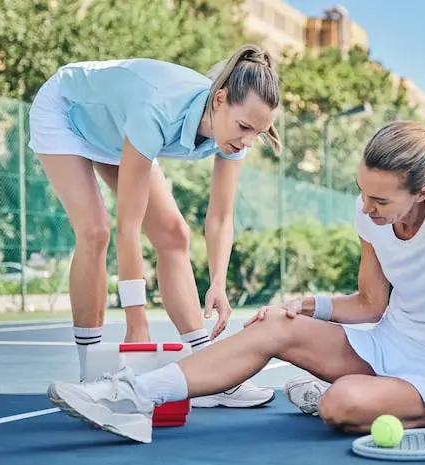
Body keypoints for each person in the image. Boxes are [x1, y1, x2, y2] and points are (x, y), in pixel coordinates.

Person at [45, 118, 425, 443]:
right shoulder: (370, 216)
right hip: (383, 342)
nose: (367, 207)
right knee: (277, 323)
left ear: (424, 192)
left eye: (380, 199)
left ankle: (329, 398)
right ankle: (133, 398)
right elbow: (369, 302)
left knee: (340, 404)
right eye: (362, 192)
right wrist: (308, 305)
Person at [28, 44, 280, 408]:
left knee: (174, 234)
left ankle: (208, 371)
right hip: (68, 111)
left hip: (119, 128)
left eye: (258, 132)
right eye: (244, 127)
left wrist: (220, 284)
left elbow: (221, 217)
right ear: (220, 99)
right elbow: (129, 225)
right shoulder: (158, 108)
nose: (246, 140)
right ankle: (92, 374)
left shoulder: (236, 133)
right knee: (96, 230)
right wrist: (136, 321)